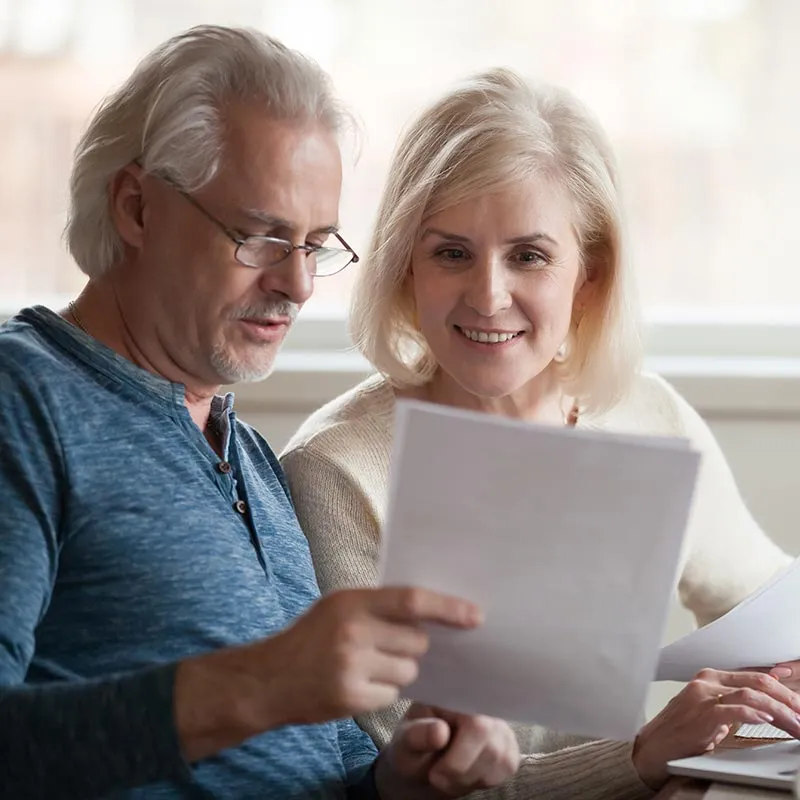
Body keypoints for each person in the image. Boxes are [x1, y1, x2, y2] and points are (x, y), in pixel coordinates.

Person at [0, 27, 523, 799]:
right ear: (137, 207)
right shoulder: (24, 402)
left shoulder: (246, 455)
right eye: (262, 237)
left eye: (316, 243)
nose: (300, 283)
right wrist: (256, 685)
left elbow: (326, 765)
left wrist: (403, 776)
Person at [280, 67, 800, 799]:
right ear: (404, 269)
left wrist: (770, 690)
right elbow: (416, 782)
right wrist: (645, 757)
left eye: (528, 255)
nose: (489, 294)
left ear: (589, 275)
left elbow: (768, 608)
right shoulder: (337, 471)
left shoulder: (647, 417)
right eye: (451, 253)